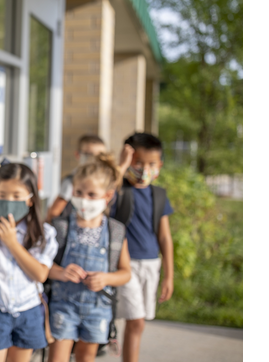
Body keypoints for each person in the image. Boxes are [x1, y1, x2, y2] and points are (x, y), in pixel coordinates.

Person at [0, 163, 59, 362]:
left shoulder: (43, 234)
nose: (9, 202)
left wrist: (11, 243)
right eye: (2, 195)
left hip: (29, 312)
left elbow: (40, 274)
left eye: (17, 196)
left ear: (30, 199)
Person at [47, 153, 132, 362]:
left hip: (98, 309)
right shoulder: (61, 228)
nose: (84, 199)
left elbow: (125, 273)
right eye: (79, 192)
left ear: (108, 196)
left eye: (92, 194)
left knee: (86, 358)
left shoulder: (115, 232)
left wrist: (106, 279)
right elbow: (43, 266)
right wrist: (61, 272)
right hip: (63, 307)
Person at [112, 133, 174, 362]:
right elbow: (105, 190)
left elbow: (165, 237)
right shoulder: (119, 191)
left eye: (151, 164)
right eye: (138, 162)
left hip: (151, 265)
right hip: (124, 266)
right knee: (136, 320)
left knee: (137, 323)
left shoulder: (159, 195)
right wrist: (121, 165)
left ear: (160, 166)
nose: (144, 169)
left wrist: (169, 276)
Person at [47, 135, 107, 223]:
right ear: (78, 155)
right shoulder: (71, 180)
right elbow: (54, 211)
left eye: (101, 156)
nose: (95, 160)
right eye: (89, 155)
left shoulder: (104, 179)